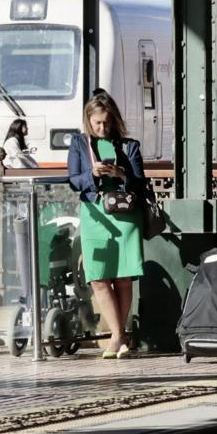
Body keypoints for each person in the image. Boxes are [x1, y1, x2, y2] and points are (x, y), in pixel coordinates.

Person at [67, 93, 147, 358]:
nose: (103, 128)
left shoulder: (129, 146)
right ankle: (119, 336)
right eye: (97, 123)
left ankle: (116, 337)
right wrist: (91, 174)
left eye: (107, 123)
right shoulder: (79, 144)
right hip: (94, 214)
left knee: (123, 278)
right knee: (99, 278)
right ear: (89, 121)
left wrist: (120, 174)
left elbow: (140, 184)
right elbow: (73, 180)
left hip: (125, 215)